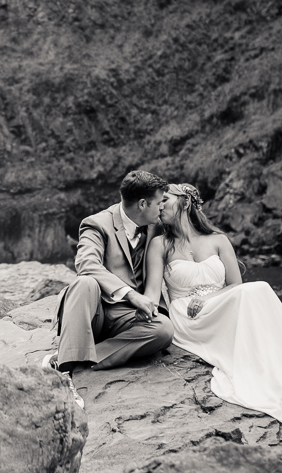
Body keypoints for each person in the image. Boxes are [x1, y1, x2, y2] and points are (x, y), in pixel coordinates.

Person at [143, 183, 282, 427]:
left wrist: (208, 297)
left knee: (258, 288)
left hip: (219, 303)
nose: (160, 204)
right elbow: (153, 293)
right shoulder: (160, 244)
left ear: (185, 203)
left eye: (166, 199)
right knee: (255, 291)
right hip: (188, 315)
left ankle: (276, 369)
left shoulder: (218, 240)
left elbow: (235, 285)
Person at [47, 171, 176, 406]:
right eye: (159, 203)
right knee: (85, 281)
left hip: (127, 319)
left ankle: (72, 358)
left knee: (164, 330)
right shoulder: (97, 223)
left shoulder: (154, 227)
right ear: (143, 203)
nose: (161, 208)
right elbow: (86, 264)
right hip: (93, 312)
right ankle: (64, 373)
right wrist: (132, 295)